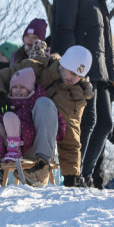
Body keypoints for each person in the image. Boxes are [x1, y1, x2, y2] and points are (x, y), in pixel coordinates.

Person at [51, 0, 114, 188]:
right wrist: (69, 67)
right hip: (79, 69)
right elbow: (64, 29)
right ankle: (74, 176)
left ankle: (85, 174)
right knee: (87, 122)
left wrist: (112, 74)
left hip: (99, 71)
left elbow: (105, 40)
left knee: (105, 123)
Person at [0, 41, 61, 179]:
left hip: (33, 143)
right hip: (3, 144)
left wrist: (71, 169)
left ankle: (41, 166)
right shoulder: (20, 70)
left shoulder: (60, 75)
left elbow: (70, 120)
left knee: (45, 104)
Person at [0, 68, 62, 164]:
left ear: (30, 89)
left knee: (9, 116)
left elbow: (51, 120)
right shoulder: (6, 102)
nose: (18, 90)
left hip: (28, 142)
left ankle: (15, 150)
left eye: (22, 87)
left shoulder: (34, 102)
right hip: (5, 141)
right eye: (15, 87)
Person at [38, 45, 94, 185]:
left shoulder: (76, 95)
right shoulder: (41, 67)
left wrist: (71, 177)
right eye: (72, 72)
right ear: (63, 64)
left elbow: (71, 134)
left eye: (79, 76)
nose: (74, 79)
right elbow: (1, 76)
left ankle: (40, 169)